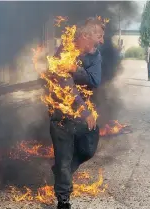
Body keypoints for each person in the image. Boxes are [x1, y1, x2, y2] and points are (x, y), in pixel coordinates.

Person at [51, 18, 105, 209]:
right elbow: (66, 86)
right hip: (62, 114)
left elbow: (95, 81)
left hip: (85, 114)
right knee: (64, 157)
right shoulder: (64, 51)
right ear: (85, 35)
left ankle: (61, 171)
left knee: (88, 149)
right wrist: (83, 109)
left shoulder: (95, 55)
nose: (102, 41)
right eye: (99, 36)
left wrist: (76, 69)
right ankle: (63, 200)